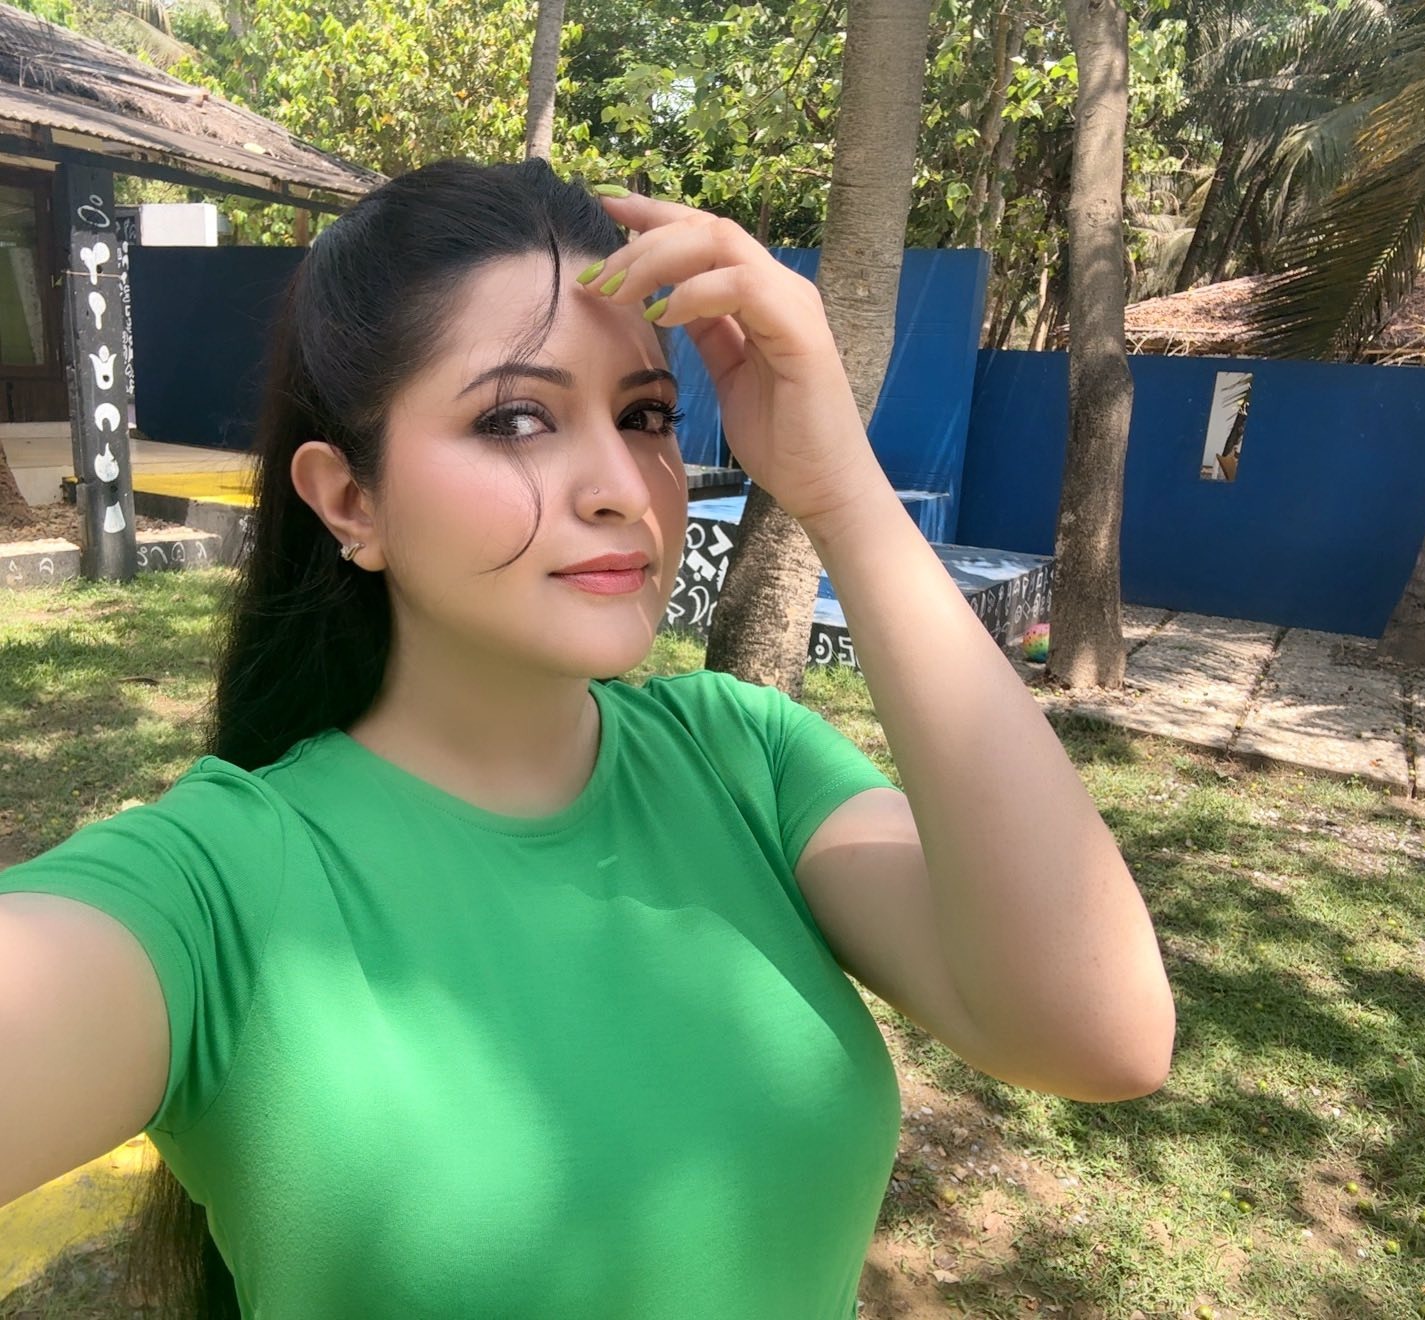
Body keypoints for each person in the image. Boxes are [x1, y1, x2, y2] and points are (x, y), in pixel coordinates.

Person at [0, 159, 1175, 1318]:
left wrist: (842, 491)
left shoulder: (748, 761)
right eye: (515, 418)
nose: (622, 483)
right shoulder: (218, 891)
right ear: (350, 500)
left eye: (646, 414)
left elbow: (1098, 1032)